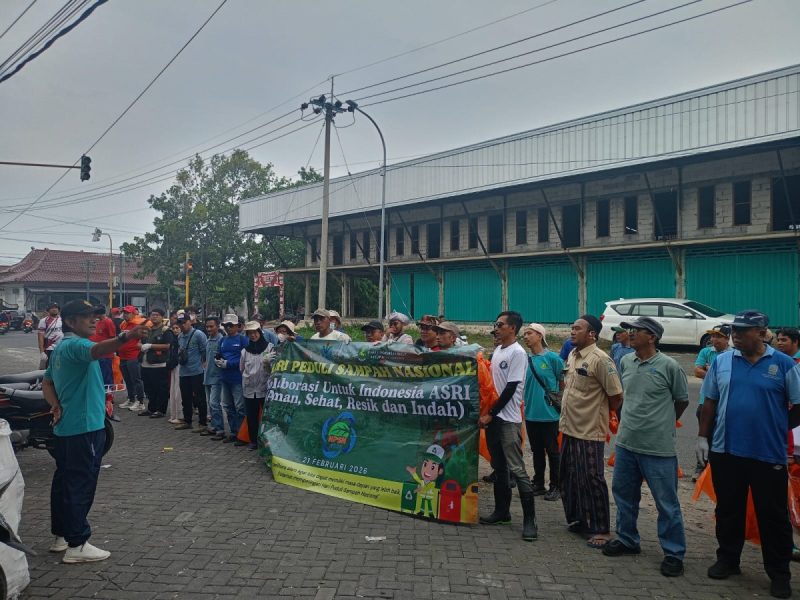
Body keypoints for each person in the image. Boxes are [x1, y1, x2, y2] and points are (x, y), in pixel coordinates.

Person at [697, 310, 800, 599]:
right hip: (726, 450)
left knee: (773, 516)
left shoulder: (783, 364)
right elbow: (709, 401)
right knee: (729, 509)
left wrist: (777, 426)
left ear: (762, 332)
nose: (735, 336)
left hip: (768, 455)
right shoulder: (722, 362)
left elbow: (798, 403)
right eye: (733, 331)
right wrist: (703, 437)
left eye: (742, 331)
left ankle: (779, 573)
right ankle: (728, 560)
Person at [42, 299, 147, 563]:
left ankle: (63, 536)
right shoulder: (78, 345)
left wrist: (55, 405)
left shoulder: (58, 349)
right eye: (86, 317)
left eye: (95, 316)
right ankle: (77, 544)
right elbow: (101, 349)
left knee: (64, 482)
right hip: (84, 428)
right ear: (70, 321)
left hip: (67, 428)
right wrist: (127, 336)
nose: (94, 321)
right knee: (81, 483)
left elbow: (47, 383)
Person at [603, 317, 689, 578]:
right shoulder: (626, 361)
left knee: (666, 503)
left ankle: (674, 553)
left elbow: (681, 402)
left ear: (651, 337)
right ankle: (628, 540)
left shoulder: (669, 366)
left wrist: (660, 424)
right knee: (624, 495)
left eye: (636, 330)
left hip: (658, 447)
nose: (630, 334)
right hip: (627, 443)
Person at [559, 314, 623, 549]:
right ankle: (580, 519)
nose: (572, 331)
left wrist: (600, 415)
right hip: (568, 427)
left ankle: (601, 528)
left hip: (588, 429)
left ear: (592, 334)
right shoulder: (574, 355)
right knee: (569, 475)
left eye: (577, 328)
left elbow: (616, 396)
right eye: (572, 327)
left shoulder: (601, 360)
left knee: (592, 478)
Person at [479, 311, 537, 541]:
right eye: (495, 324)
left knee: (517, 469)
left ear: (512, 328)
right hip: (493, 418)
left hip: (508, 419)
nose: (496, 328)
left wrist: (492, 413)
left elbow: (511, 388)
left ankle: (530, 521)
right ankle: (502, 512)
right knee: (499, 467)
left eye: (500, 325)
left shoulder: (518, 353)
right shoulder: (498, 351)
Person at [522, 322, 564, 502]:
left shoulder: (553, 358)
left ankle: (557, 485)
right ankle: (538, 482)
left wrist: (560, 403)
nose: (525, 337)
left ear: (540, 336)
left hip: (549, 414)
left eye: (529, 333)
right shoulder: (524, 359)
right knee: (537, 450)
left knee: (553, 451)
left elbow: (563, 382)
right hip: (531, 413)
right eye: (524, 334)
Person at [692, 325, 732, 481]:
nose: (714, 339)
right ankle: (700, 467)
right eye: (713, 336)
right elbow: (696, 371)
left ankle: (717, 469)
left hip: (724, 404)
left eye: (718, 336)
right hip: (705, 403)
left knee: (720, 437)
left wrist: (708, 372)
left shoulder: (732, 355)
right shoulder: (706, 352)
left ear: (727, 338)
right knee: (704, 435)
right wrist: (714, 374)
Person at [240, 321, 273, 450]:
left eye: (255, 332)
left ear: (260, 332)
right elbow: (241, 368)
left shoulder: (269, 348)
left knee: (266, 417)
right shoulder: (245, 351)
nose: (253, 335)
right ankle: (253, 441)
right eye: (250, 333)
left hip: (265, 387)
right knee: (251, 416)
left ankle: (267, 441)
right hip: (249, 388)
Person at [174, 313, 208, 432]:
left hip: (197, 371)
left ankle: (203, 423)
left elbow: (205, 351)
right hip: (184, 372)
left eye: (184, 322)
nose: (182, 325)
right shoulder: (180, 336)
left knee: (200, 398)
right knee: (185, 398)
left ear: (190, 322)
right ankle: (187, 421)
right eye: (180, 323)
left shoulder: (198, 334)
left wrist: (203, 364)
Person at [216, 314, 247, 444]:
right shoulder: (222, 340)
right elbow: (218, 354)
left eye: (230, 325)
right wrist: (217, 361)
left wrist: (229, 364)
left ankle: (242, 435)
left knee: (240, 407)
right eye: (226, 326)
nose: (228, 328)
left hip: (238, 378)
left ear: (237, 326)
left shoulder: (243, 340)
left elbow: (246, 359)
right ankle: (234, 432)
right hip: (225, 378)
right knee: (228, 407)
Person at [138, 309, 174, 418]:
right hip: (145, 363)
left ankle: (160, 410)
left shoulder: (165, 330)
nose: (154, 317)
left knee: (160, 388)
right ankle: (151, 408)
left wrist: (150, 346)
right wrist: (141, 346)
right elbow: (139, 342)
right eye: (152, 315)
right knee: (149, 388)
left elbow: (168, 346)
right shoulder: (148, 330)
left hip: (159, 364)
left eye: (157, 315)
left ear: (162, 317)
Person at [88, 306, 119, 421]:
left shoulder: (108, 322)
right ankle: (101, 398)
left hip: (106, 356)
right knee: (98, 378)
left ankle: (109, 400)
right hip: (97, 355)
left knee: (107, 379)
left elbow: (112, 338)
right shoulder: (98, 322)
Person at [117, 306, 147, 411]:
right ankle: (131, 399)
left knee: (136, 379)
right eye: (124, 312)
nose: (125, 314)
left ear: (133, 313)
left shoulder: (137, 325)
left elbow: (144, 337)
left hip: (133, 356)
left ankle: (140, 401)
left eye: (128, 313)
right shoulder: (123, 324)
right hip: (123, 356)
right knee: (128, 380)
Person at [203, 316, 226, 440]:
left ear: (217, 326)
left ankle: (220, 429)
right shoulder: (208, 340)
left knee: (214, 403)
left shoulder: (221, 340)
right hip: (207, 376)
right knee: (210, 404)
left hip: (217, 377)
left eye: (211, 326)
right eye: (207, 326)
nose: (209, 329)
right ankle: (214, 426)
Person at [167, 323, 183, 424]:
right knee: (172, 391)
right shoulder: (173, 340)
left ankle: (180, 415)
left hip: (180, 366)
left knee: (178, 392)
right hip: (173, 366)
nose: (175, 330)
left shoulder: (182, 340)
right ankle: (174, 414)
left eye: (177, 328)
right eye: (173, 328)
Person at [38, 302, 63, 369]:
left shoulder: (63, 320)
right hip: (49, 348)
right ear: (48, 309)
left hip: (61, 348)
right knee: (49, 369)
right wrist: (42, 352)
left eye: (56, 307)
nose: (54, 309)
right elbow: (40, 336)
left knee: (60, 368)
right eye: (52, 308)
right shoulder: (43, 321)